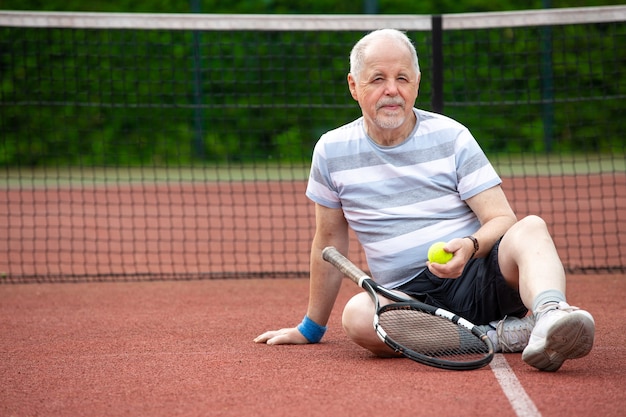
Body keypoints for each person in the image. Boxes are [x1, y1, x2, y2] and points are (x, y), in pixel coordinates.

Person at [254, 29, 595, 371]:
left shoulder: (453, 136)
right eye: (377, 79)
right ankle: (501, 337)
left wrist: (470, 245)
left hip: (480, 274)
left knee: (531, 227)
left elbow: (502, 219)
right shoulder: (330, 151)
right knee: (358, 317)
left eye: (402, 78)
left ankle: (552, 316)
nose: (392, 89)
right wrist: (311, 328)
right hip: (409, 301)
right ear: (354, 86)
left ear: (416, 84)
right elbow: (328, 242)